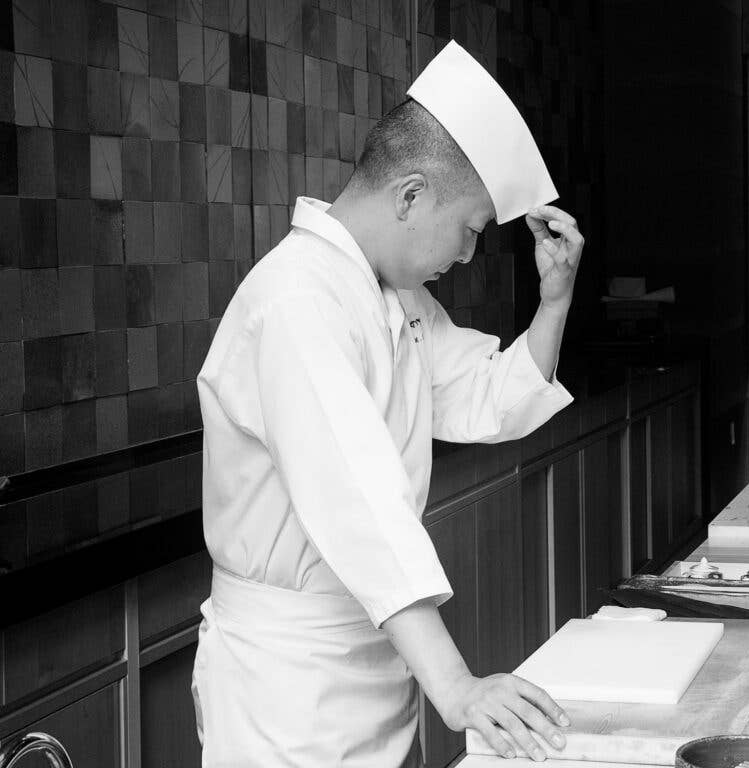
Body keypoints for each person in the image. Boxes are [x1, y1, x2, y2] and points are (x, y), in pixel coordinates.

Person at [190, 41, 584, 767]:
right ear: (410, 195)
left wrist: (552, 301)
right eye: (469, 229)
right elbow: (359, 503)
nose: (468, 255)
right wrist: (458, 687)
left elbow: (481, 396)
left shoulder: (397, 299)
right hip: (289, 689)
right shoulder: (296, 300)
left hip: (376, 653)